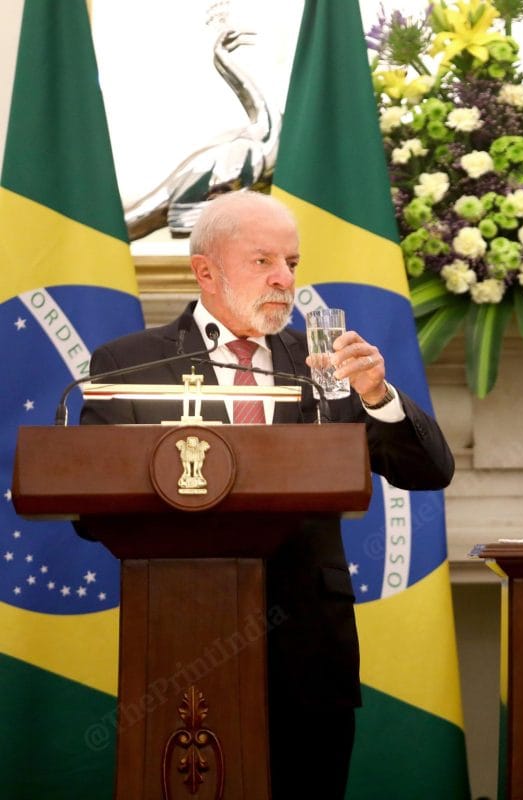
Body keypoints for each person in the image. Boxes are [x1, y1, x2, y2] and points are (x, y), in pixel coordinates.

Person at [79, 191, 454, 798]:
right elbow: (92, 511)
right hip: (180, 634)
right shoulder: (131, 364)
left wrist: (379, 397)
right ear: (206, 270)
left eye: (293, 263)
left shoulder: (325, 364)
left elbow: (429, 470)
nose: (285, 279)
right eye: (263, 262)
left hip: (308, 647)